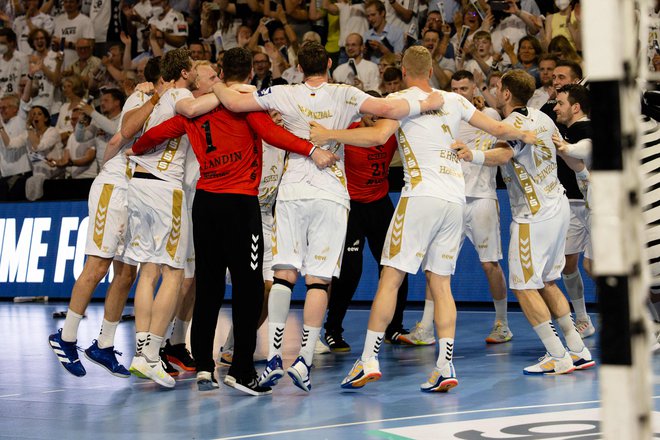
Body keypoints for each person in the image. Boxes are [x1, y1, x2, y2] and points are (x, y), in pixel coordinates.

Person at [211, 41, 445, 393]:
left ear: (298, 67)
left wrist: (215, 82)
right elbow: (386, 107)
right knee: (319, 280)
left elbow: (233, 101)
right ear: (330, 63)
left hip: (292, 188)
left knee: (284, 273)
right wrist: (425, 102)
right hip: (332, 191)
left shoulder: (282, 93)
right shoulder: (345, 92)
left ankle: (275, 356)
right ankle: (304, 359)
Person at [309, 47, 536, 392]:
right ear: (432, 69)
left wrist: (328, 135)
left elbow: (376, 136)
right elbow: (499, 127)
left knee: (391, 276)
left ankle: (368, 359)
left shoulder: (398, 100)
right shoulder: (455, 100)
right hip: (454, 199)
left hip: (420, 196)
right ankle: (445, 366)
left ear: (402, 69)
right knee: (440, 283)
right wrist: (527, 134)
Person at [131, 46, 338, 395]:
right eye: (211, 77)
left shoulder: (190, 114)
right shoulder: (243, 107)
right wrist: (312, 149)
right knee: (249, 286)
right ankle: (241, 370)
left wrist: (136, 148)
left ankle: (204, 368)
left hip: (206, 203)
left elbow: (147, 140)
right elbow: (275, 136)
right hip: (240, 204)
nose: (216, 79)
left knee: (209, 288)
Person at [454, 69, 594, 375]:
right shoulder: (543, 118)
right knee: (546, 281)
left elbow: (502, 157)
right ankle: (578, 350)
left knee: (522, 286)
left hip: (534, 214)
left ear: (506, 93)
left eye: (497, 88)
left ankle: (557, 355)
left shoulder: (512, 124)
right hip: (557, 205)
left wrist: (470, 154)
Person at [46, 57, 170, 378]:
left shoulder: (177, 102)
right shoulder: (142, 96)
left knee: (126, 274)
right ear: (164, 80)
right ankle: (66, 336)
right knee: (97, 266)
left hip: (139, 192)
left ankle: (103, 343)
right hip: (114, 186)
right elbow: (126, 130)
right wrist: (153, 95)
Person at [122, 48, 218, 389]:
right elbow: (192, 109)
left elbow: (127, 131)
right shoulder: (178, 94)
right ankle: (151, 356)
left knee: (148, 271)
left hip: (139, 185)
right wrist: (224, 94)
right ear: (184, 72)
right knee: (175, 274)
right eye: (193, 68)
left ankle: (140, 353)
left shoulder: (155, 99)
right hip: (165, 189)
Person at [322, 93, 412, 352]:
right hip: (352, 207)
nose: (377, 118)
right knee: (350, 272)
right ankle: (332, 330)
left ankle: (394, 328)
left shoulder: (390, 132)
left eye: (382, 113)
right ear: (362, 113)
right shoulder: (347, 134)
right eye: (372, 112)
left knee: (396, 266)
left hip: (380, 204)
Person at [551, 83, 595, 337]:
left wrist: (564, 146)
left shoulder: (585, 128)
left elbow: (584, 148)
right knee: (569, 264)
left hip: (596, 208)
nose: (557, 108)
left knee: (595, 267)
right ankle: (583, 320)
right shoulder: (568, 130)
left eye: (561, 104)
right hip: (571, 205)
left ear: (575, 107)